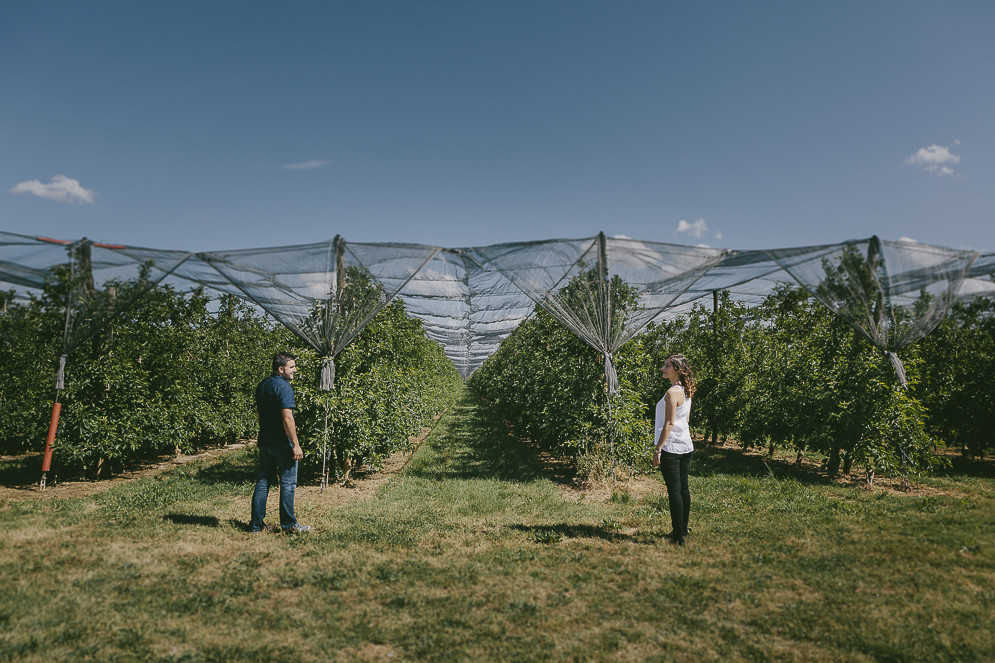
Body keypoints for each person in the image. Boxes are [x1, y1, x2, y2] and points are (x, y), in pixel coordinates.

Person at [250, 352, 310, 533]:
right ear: (281, 369)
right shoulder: (284, 387)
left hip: (265, 441)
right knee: (288, 484)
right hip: (282, 444)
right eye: (292, 367)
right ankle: (289, 525)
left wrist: (266, 433)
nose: (295, 370)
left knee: (262, 483)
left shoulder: (262, 386)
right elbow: (287, 419)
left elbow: (260, 415)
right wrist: (296, 444)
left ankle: (256, 525)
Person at [652, 354, 696, 546]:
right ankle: (682, 529)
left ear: (677, 369)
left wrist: (658, 448)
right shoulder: (687, 390)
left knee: (675, 491)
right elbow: (685, 420)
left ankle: (678, 536)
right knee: (683, 489)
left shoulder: (672, 392)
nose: (663, 368)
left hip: (671, 446)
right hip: (686, 444)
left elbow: (669, 423)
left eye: (667, 365)